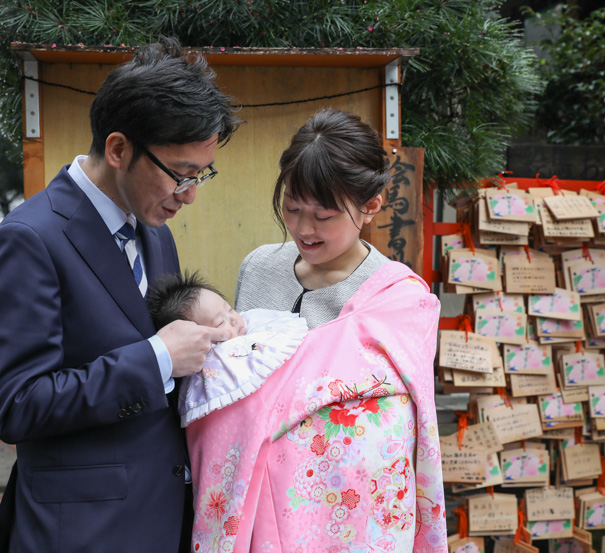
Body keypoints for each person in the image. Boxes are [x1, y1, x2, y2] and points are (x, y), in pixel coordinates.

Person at [0, 38, 240, 553]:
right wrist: (158, 357)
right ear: (118, 150)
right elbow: (17, 405)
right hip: (81, 529)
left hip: (164, 517)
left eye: (200, 175)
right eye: (181, 175)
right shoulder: (29, 239)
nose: (190, 194)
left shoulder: (154, 230)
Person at [186, 108, 447, 552]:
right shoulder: (259, 267)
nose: (303, 229)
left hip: (342, 528)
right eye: (292, 208)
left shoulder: (400, 300)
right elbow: (234, 384)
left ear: (371, 207)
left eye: (323, 216)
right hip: (250, 519)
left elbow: (390, 436)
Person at [146, 271, 308, 427]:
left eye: (230, 309)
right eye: (220, 323)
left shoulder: (255, 323)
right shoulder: (213, 365)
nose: (233, 320)